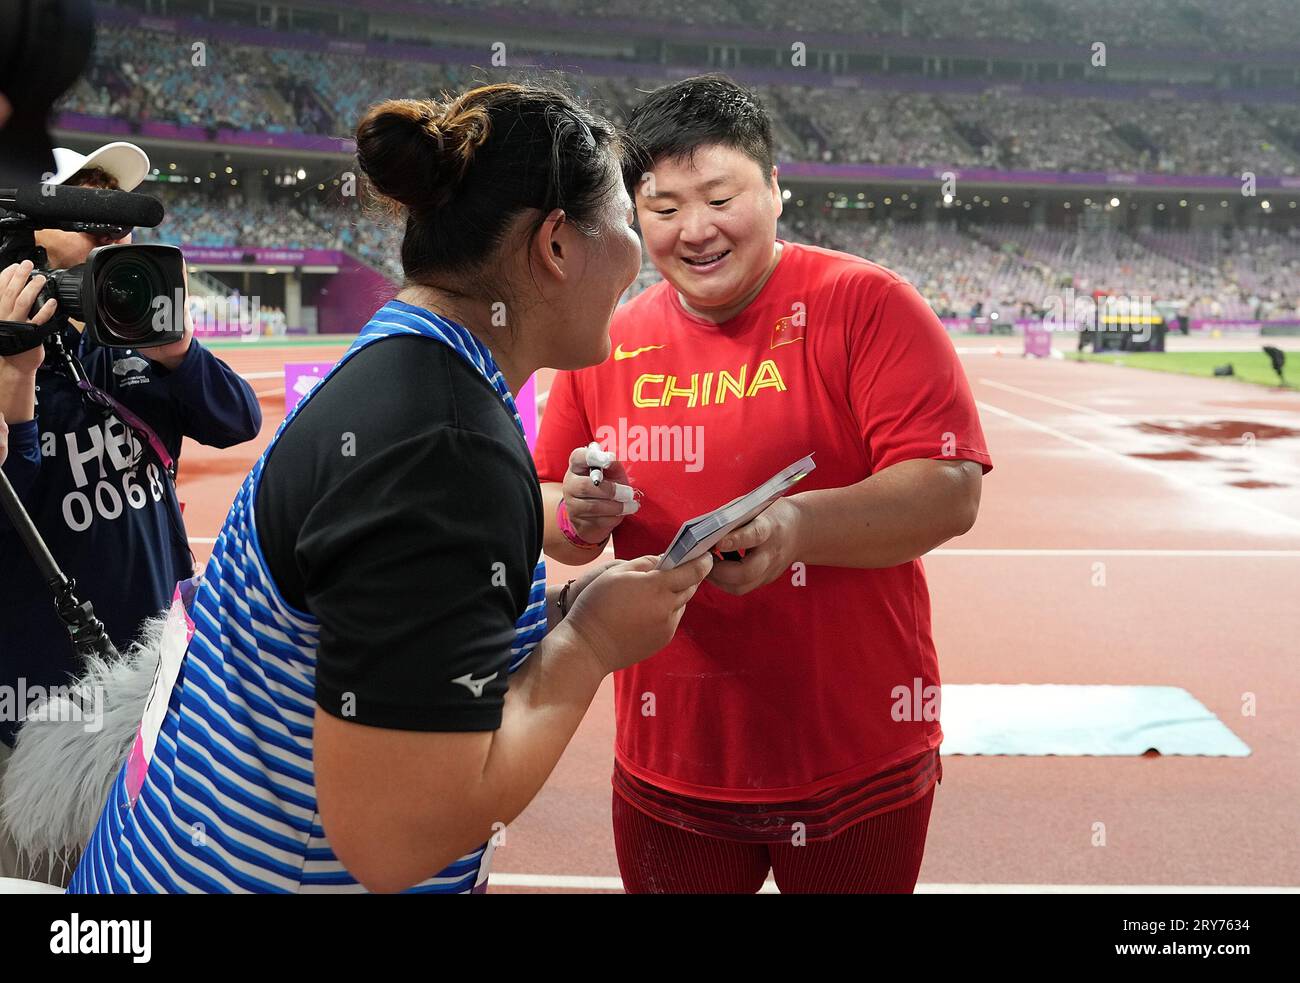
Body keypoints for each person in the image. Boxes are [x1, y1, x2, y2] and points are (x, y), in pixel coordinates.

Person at [68, 83, 713, 894]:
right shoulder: (441, 450)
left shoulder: (411, 364)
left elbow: (386, 626)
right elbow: (396, 840)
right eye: (626, 221)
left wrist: (562, 612)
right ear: (555, 244)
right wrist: (588, 648)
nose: (640, 252)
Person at [535, 75, 992, 894]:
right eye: (665, 207)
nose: (696, 230)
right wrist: (575, 509)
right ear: (635, 218)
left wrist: (795, 528)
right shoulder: (607, 339)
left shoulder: (868, 304)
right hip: (670, 759)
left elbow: (950, 488)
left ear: (776, 192)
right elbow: (552, 517)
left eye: (719, 196)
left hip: (853, 754)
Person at [0, 142, 262, 881]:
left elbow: (237, 417)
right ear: (31, 228)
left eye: (117, 212)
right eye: (85, 201)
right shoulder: (8, 356)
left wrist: (177, 348)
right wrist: (14, 380)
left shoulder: (128, 345)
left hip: (155, 684)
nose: (108, 224)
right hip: (42, 715)